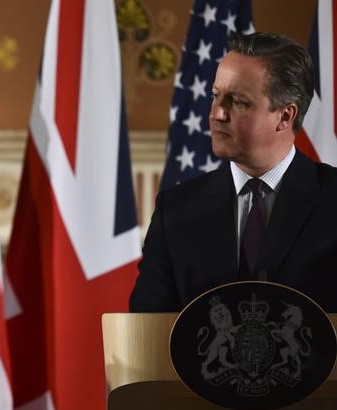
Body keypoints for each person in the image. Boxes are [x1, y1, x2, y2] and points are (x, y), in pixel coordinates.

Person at [130, 32, 337, 312]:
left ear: (285, 116)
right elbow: (146, 327)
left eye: (238, 102)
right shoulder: (176, 211)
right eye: (216, 96)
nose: (217, 113)